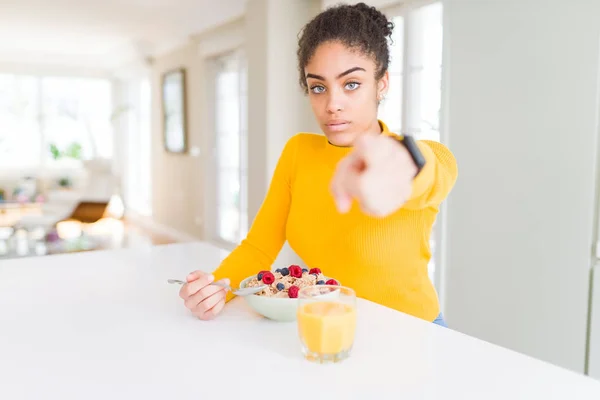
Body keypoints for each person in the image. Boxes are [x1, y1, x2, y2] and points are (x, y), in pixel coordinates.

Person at [179, 2, 458, 326]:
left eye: (351, 84)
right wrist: (216, 287)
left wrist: (401, 167)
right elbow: (258, 248)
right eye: (318, 87)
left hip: (415, 334)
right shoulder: (298, 152)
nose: (332, 104)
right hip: (331, 330)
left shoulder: (416, 157)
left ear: (382, 83)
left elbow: (428, 172)